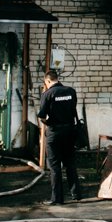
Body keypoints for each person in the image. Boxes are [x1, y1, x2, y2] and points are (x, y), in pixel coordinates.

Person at [36, 69, 82, 205]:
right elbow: (73, 110)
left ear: (48, 80)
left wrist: (49, 122)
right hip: (70, 131)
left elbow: (42, 116)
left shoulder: (47, 94)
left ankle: (57, 199)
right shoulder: (71, 91)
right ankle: (76, 194)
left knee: (55, 166)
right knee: (70, 164)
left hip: (55, 133)